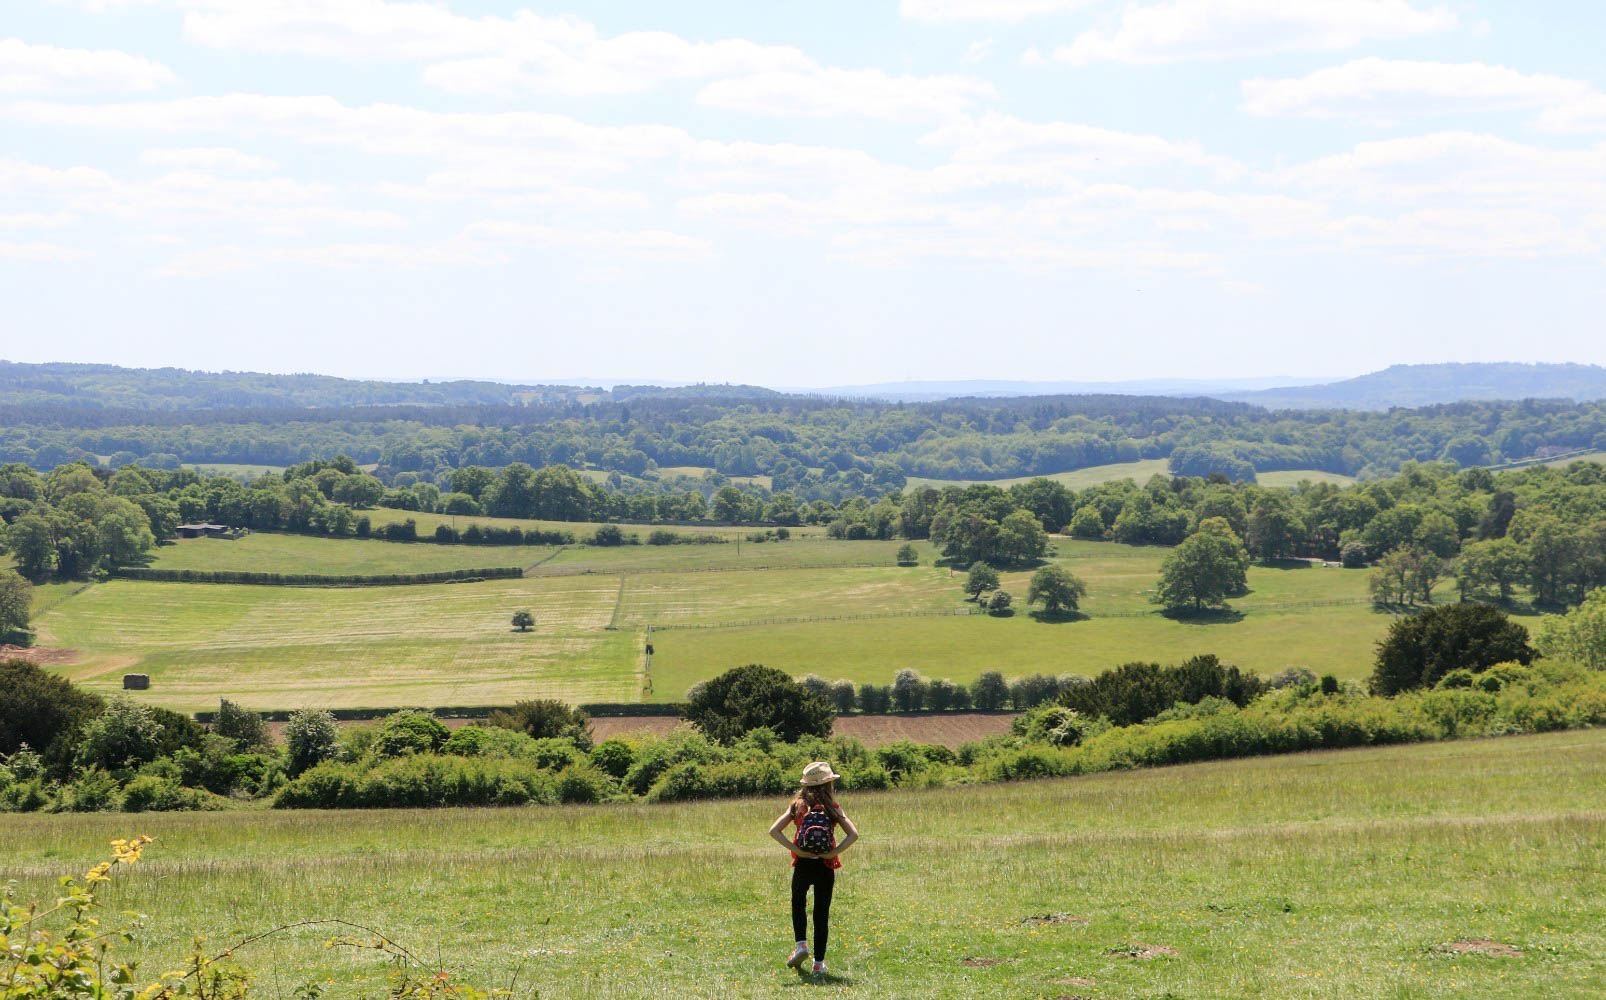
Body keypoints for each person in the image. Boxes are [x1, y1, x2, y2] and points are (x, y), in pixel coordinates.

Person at [767, 760, 859, 977]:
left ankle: (801, 945)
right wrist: (831, 853)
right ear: (828, 784)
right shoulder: (832, 806)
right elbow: (853, 834)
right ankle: (819, 964)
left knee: (798, 903)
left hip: (803, 863)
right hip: (825, 866)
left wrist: (796, 850)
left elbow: (774, 830)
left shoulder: (798, 805)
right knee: (821, 913)